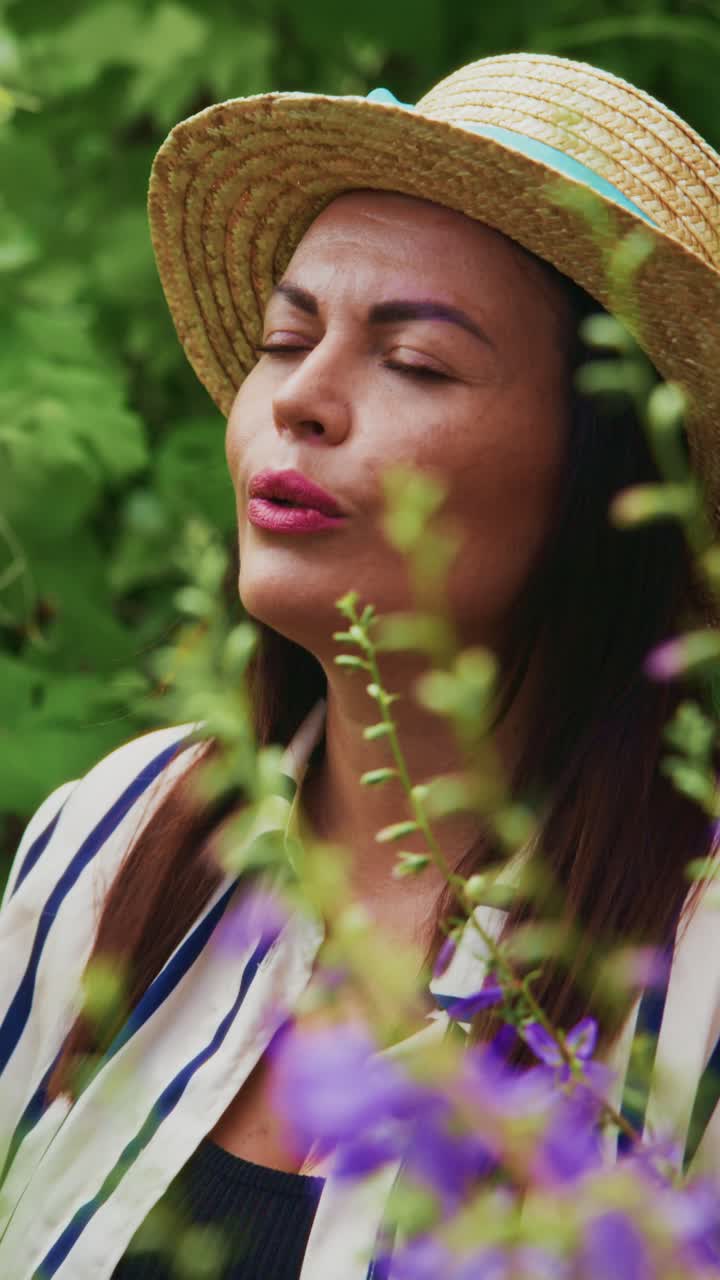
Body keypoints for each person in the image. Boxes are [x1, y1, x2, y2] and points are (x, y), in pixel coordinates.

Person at [1, 50, 720, 1280]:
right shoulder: (111, 837)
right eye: (287, 338)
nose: (301, 400)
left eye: (418, 361)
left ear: (615, 485)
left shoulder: (694, 970)